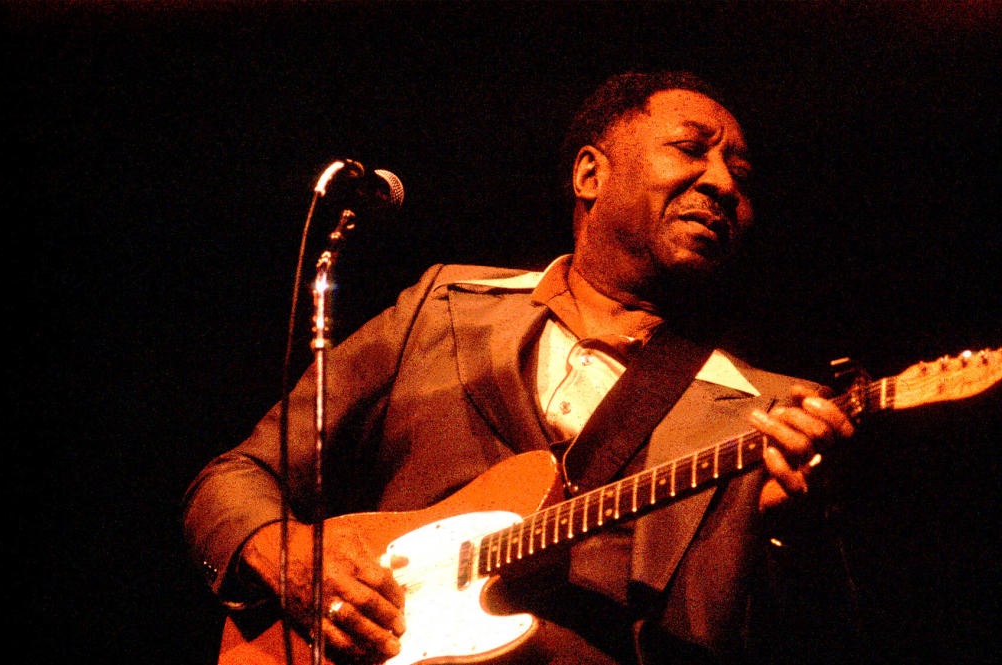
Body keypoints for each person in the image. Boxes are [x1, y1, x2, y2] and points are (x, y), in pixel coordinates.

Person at [183, 71, 858, 665]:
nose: (721, 183)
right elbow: (234, 477)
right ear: (589, 175)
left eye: (740, 175)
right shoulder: (441, 307)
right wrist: (284, 552)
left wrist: (786, 532)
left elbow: (797, 634)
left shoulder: (760, 410)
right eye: (691, 149)